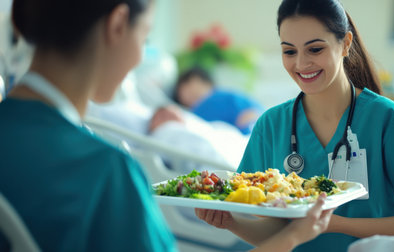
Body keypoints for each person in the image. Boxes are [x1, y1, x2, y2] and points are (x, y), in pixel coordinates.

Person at [0, 0, 332, 252]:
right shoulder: (105, 171)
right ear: (117, 25)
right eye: (144, 36)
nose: (139, 57)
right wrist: (292, 237)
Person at [196, 0, 394, 251]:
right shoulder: (271, 126)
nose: (301, 64)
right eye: (289, 51)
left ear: (346, 43)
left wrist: (335, 223)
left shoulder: (388, 120)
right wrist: (231, 223)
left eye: (315, 49)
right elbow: (280, 234)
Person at [173, 67, 264, 134]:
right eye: (180, 94)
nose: (184, 94)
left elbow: (253, 115)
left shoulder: (224, 96)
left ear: (198, 79)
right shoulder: (193, 113)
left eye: (187, 86)